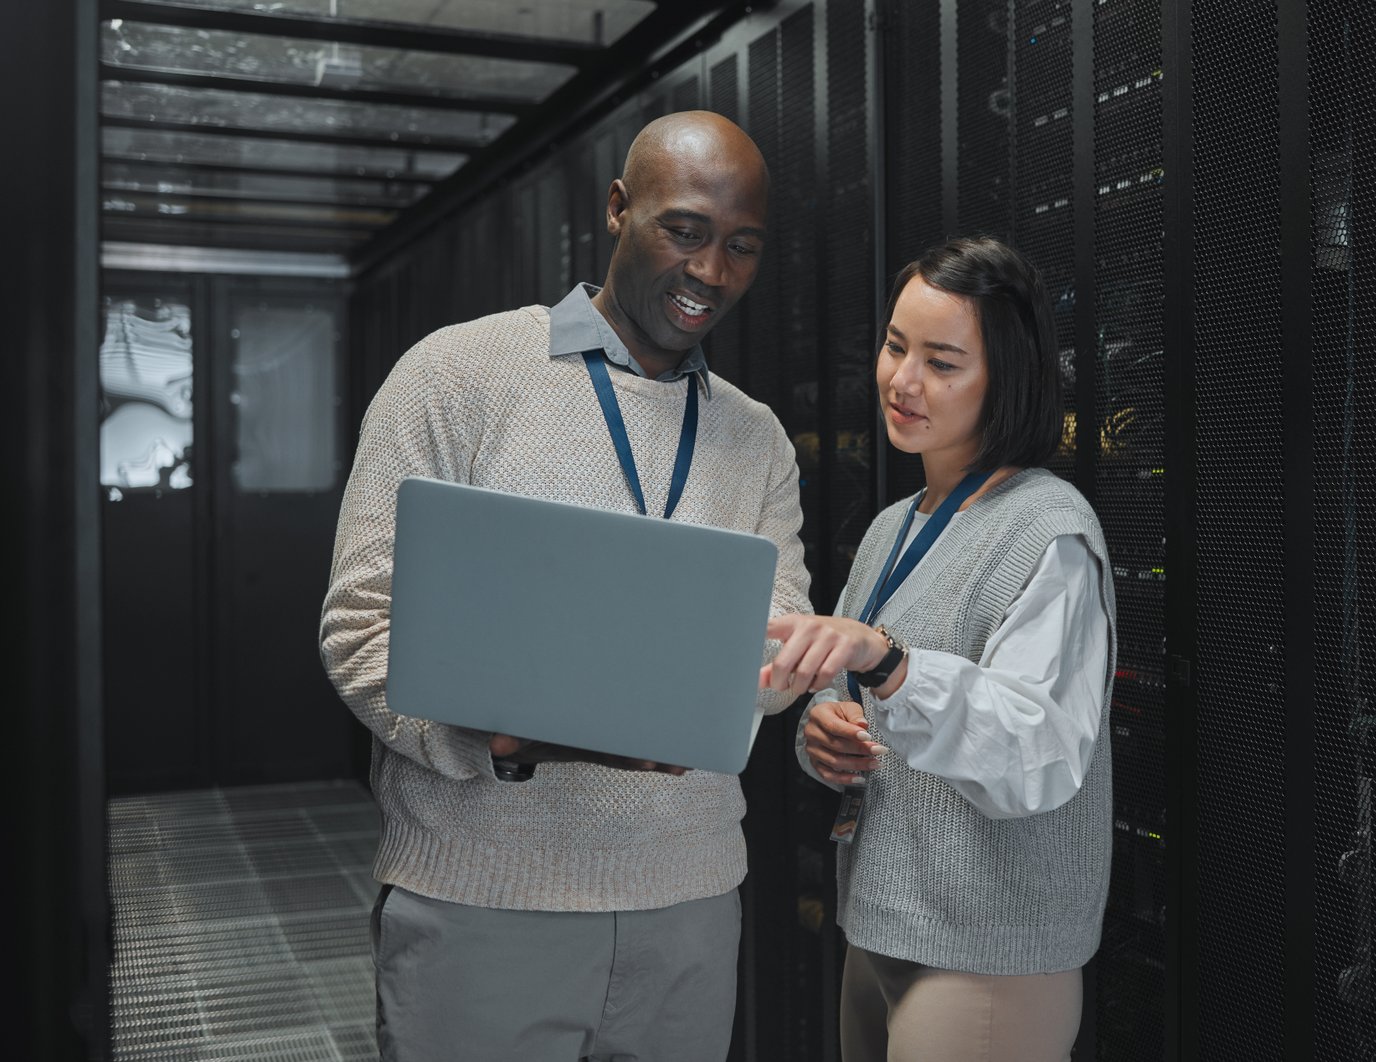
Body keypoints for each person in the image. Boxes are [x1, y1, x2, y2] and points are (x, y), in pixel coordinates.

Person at [320, 111, 811, 1062]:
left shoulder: (756, 436)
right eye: (685, 231)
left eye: (742, 246)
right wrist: (494, 738)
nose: (712, 271)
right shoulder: (454, 375)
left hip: (690, 903)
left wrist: (758, 677)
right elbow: (360, 624)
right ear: (619, 210)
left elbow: (780, 631)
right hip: (482, 903)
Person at [763, 236, 1116, 1060]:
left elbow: (1036, 753)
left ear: (1008, 378)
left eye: (943, 361)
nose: (902, 381)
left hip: (988, 954)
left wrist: (889, 662)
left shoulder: (1048, 530)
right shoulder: (896, 524)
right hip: (884, 917)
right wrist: (824, 737)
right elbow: (843, 690)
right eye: (895, 347)